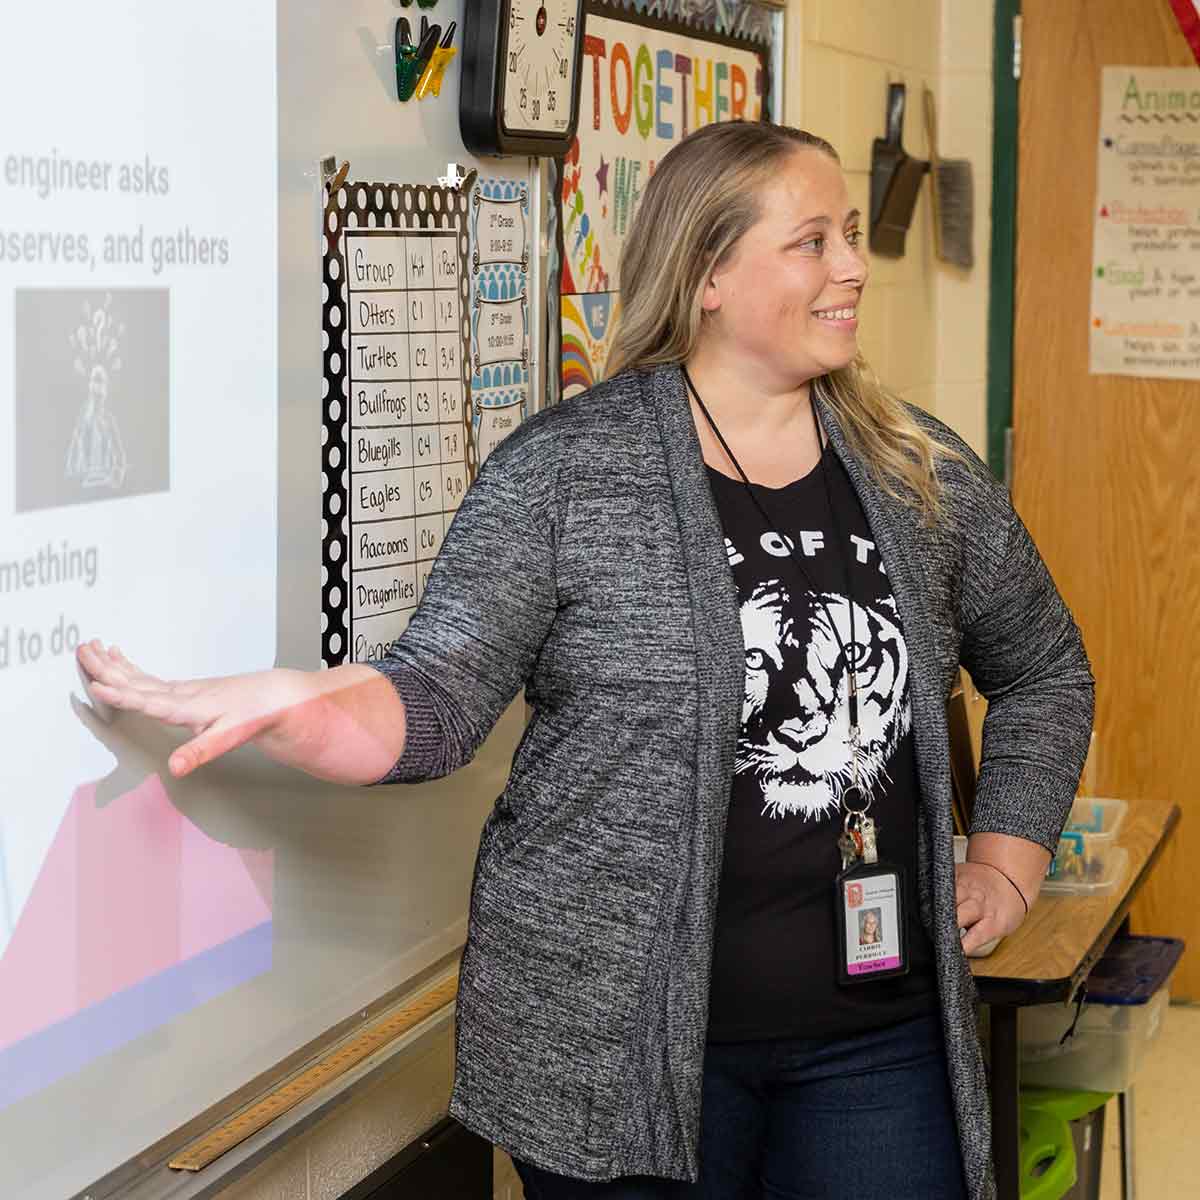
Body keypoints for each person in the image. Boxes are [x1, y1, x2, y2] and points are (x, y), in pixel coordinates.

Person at [77, 122, 1094, 1199]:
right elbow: (440, 689)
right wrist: (307, 702)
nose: (851, 266)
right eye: (811, 242)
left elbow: (1043, 668)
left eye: (849, 233)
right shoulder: (568, 472)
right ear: (709, 274)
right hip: (608, 1051)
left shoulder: (914, 471)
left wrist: (1008, 860)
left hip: (874, 1043)